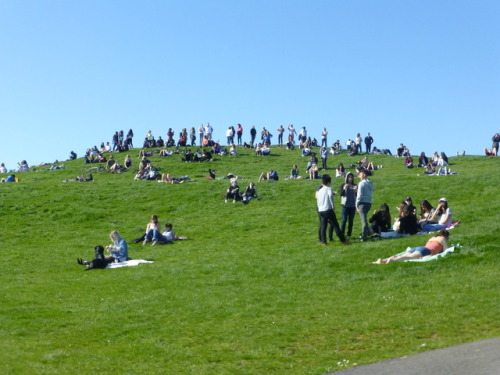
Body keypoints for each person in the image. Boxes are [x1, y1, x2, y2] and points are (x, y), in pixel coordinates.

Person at [376, 230, 450, 263]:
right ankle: (392, 260)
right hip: (426, 250)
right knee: (408, 257)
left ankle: (383, 260)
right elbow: (446, 250)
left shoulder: (432, 238)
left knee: (405, 255)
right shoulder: (443, 239)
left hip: (419, 248)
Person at [316, 174, 348, 245]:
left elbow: (318, 199)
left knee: (323, 226)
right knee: (335, 225)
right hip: (328, 209)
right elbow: (330, 196)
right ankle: (343, 240)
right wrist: (332, 205)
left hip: (321, 210)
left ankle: (324, 242)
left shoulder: (320, 190)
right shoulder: (329, 189)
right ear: (328, 183)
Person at [356, 169, 374, 241]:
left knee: (363, 220)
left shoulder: (361, 183)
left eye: (360, 173)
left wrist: (356, 204)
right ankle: (366, 233)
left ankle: (364, 236)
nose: (359, 175)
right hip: (368, 203)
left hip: (362, 203)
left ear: (364, 174)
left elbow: (359, 195)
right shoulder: (370, 183)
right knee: (364, 219)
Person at [340, 172, 357, 238]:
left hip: (352, 205)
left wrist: (356, 191)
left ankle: (349, 234)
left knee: (351, 221)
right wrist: (344, 188)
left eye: (351, 177)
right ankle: (342, 234)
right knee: (344, 220)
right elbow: (341, 194)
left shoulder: (355, 185)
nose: (350, 179)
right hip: (345, 205)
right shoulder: (343, 185)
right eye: (349, 177)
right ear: (346, 178)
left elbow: (358, 196)